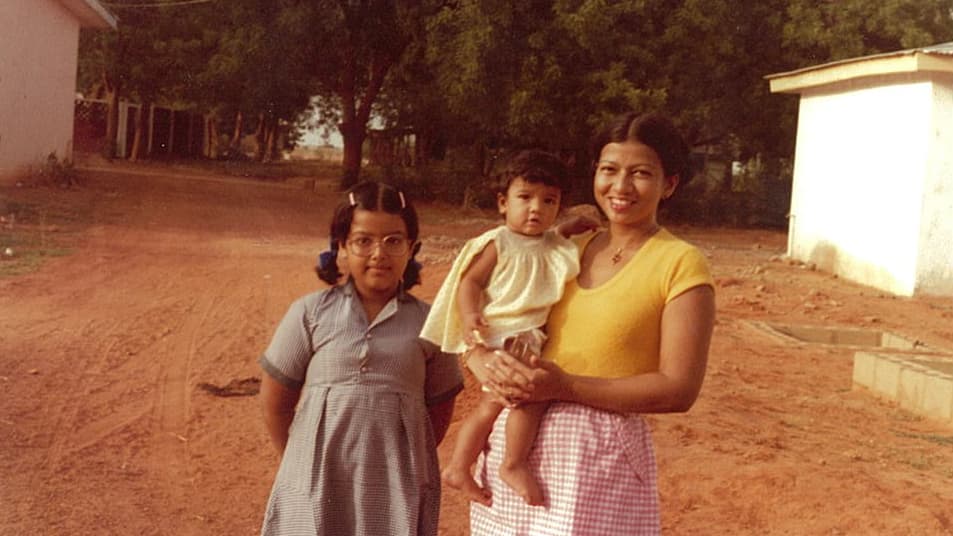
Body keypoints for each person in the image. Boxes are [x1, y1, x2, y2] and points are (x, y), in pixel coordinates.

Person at [467, 112, 716, 535]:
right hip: (517, 446)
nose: (620, 187)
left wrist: (564, 386)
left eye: (640, 174)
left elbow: (679, 389)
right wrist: (478, 358)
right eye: (609, 170)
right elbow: (495, 315)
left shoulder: (681, 263)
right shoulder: (561, 247)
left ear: (668, 184)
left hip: (600, 455)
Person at [257, 181, 463, 536]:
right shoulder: (310, 313)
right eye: (363, 240)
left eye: (393, 241)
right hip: (317, 475)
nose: (378, 253)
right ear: (341, 246)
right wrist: (301, 459)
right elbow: (275, 404)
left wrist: (404, 456)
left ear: (412, 248)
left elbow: (438, 413)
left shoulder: (432, 322)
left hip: (397, 481)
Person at [421, 150, 597, 507]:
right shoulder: (498, 242)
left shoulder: (549, 240)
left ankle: (458, 466)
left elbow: (543, 244)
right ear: (503, 202)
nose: (536, 209)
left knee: (490, 405)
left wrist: (568, 226)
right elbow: (470, 282)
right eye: (525, 198)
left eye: (549, 201)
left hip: (528, 337)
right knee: (530, 399)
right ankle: (512, 464)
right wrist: (470, 317)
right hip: (506, 337)